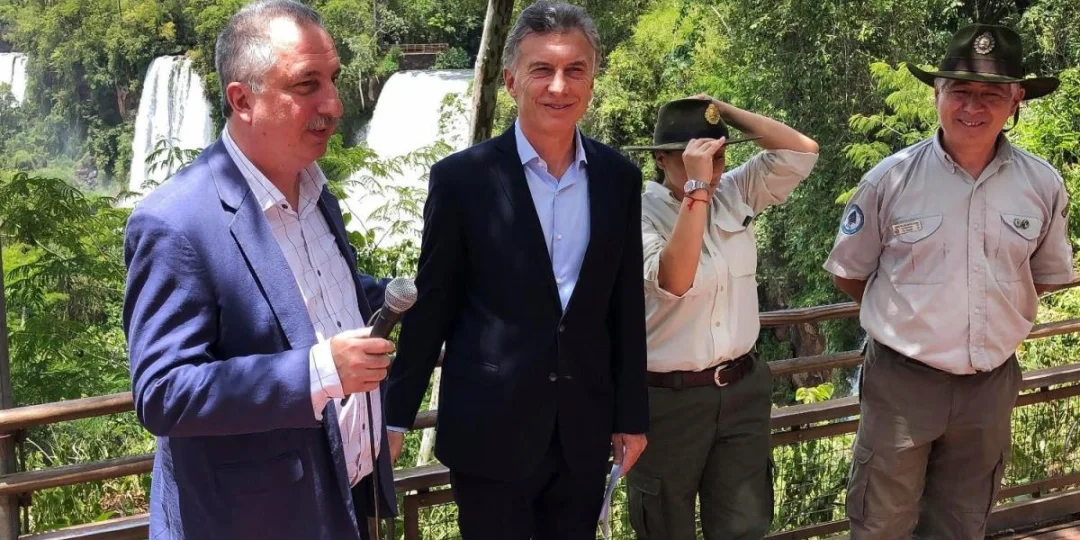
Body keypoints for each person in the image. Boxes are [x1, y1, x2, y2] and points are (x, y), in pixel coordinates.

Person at [122, 1, 397, 538]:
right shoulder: (174, 222)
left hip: (341, 502)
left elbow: (302, 297)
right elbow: (163, 393)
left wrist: (402, 294)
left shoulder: (314, 190)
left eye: (334, 79)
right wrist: (319, 371)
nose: (334, 104)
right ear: (242, 100)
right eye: (306, 85)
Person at [382, 2, 649, 538]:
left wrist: (632, 416)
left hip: (582, 429)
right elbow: (433, 304)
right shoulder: (463, 180)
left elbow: (624, 305)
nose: (559, 86)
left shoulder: (618, 178)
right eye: (542, 69)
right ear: (510, 81)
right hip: (489, 430)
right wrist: (394, 418)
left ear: (592, 80)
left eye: (575, 70)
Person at [824, 24, 1073, 539]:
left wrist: (987, 321)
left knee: (962, 523)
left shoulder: (1042, 184)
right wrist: (919, 325)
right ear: (936, 93)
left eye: (992, 94)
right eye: (959, 90)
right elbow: (851, 275)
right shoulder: (889, 180)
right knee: (881, 524)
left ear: (1017, 100)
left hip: (990, 385)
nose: (973, 106)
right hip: (902, 385)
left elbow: (1043, 277)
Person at [622, 96, 818, 539]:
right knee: (664, 526)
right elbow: (674, 281)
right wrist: (696, 189)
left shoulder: (735, 191)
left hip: (742, 389)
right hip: (668, 400)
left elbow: (802, 151)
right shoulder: (636, 214)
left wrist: (723, 111)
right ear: (661, 159)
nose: (711, 169)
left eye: (718, 156)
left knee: (743, 527)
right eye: (695, 157)